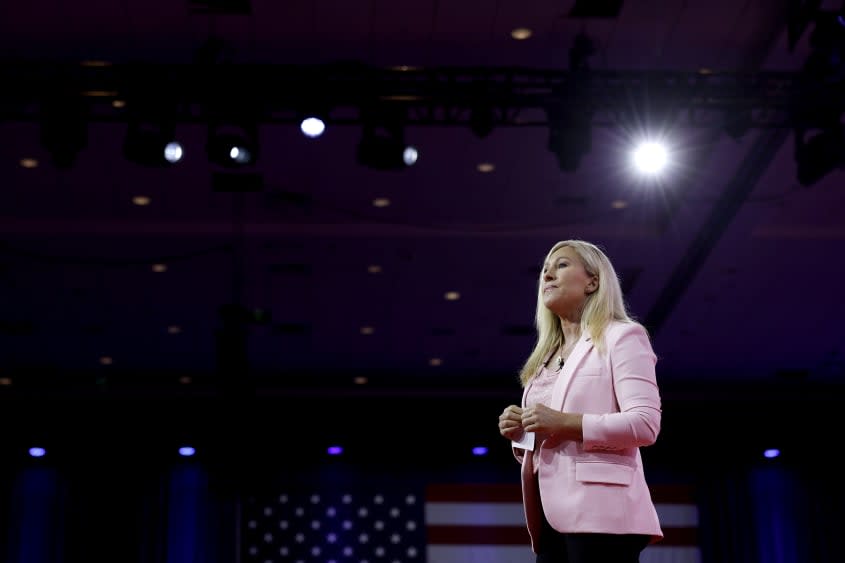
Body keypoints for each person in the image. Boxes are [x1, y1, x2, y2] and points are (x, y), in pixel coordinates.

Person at [498, 239, 663, 563]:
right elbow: (551, 441)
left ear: (593, 281)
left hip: (604, 515)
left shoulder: (623, 336)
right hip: (549, 518)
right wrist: (522, 431)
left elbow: (645, 424)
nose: (547, 275)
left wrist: (563, 422)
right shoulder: (544, 358)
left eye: (560, 265)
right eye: (544, 269)